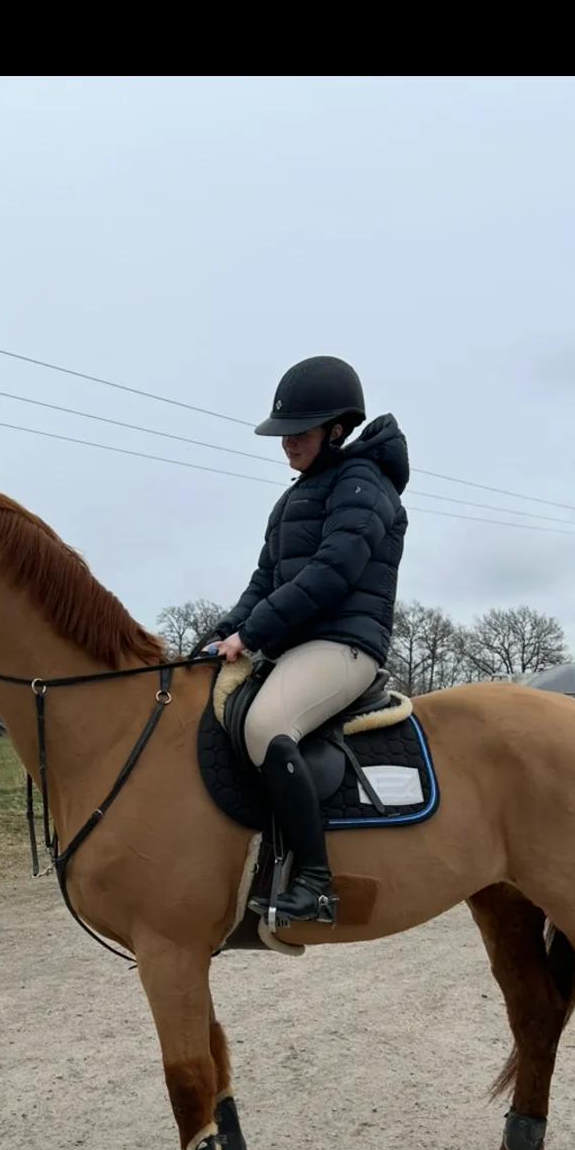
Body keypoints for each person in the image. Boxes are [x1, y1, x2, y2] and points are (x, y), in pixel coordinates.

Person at [207, 356, 409, 927]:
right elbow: (265, 580)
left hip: (344, 645)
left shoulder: (362, 484)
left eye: (299, 432)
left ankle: (317, 883)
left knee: (266, 725)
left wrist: (254, 632)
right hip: (292, 645)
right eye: (284, 433)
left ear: (336, 430)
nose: (287, 444)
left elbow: (331, 571)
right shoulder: (295, 497)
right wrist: (224, 632)